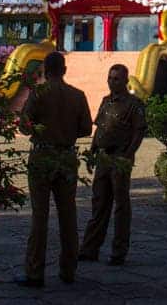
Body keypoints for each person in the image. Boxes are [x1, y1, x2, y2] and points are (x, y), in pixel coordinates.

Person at [16, 50, 92, 287]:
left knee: (40, 215)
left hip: (42, 154)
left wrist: (43, 130)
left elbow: (25, 127)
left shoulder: (39, 94)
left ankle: (35, 270)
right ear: (65, 70)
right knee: (68, 214)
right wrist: (66, 132)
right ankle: (68, 269)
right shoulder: (77, 96)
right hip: (67, 156)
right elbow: (86, 129)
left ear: (45, 71)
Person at [78, 64, 146, 265]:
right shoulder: (106, 102)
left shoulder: (134, 104)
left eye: (116, 78)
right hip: (103, 157)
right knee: (99, 203)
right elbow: (99, 129)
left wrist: (128, 155)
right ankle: (90, 248)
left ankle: (119, 251)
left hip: (120, 157)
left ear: (125, 81)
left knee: (121, 205)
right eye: (110, 78)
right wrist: (92, 152)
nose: (112, 82)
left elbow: (139, 131)